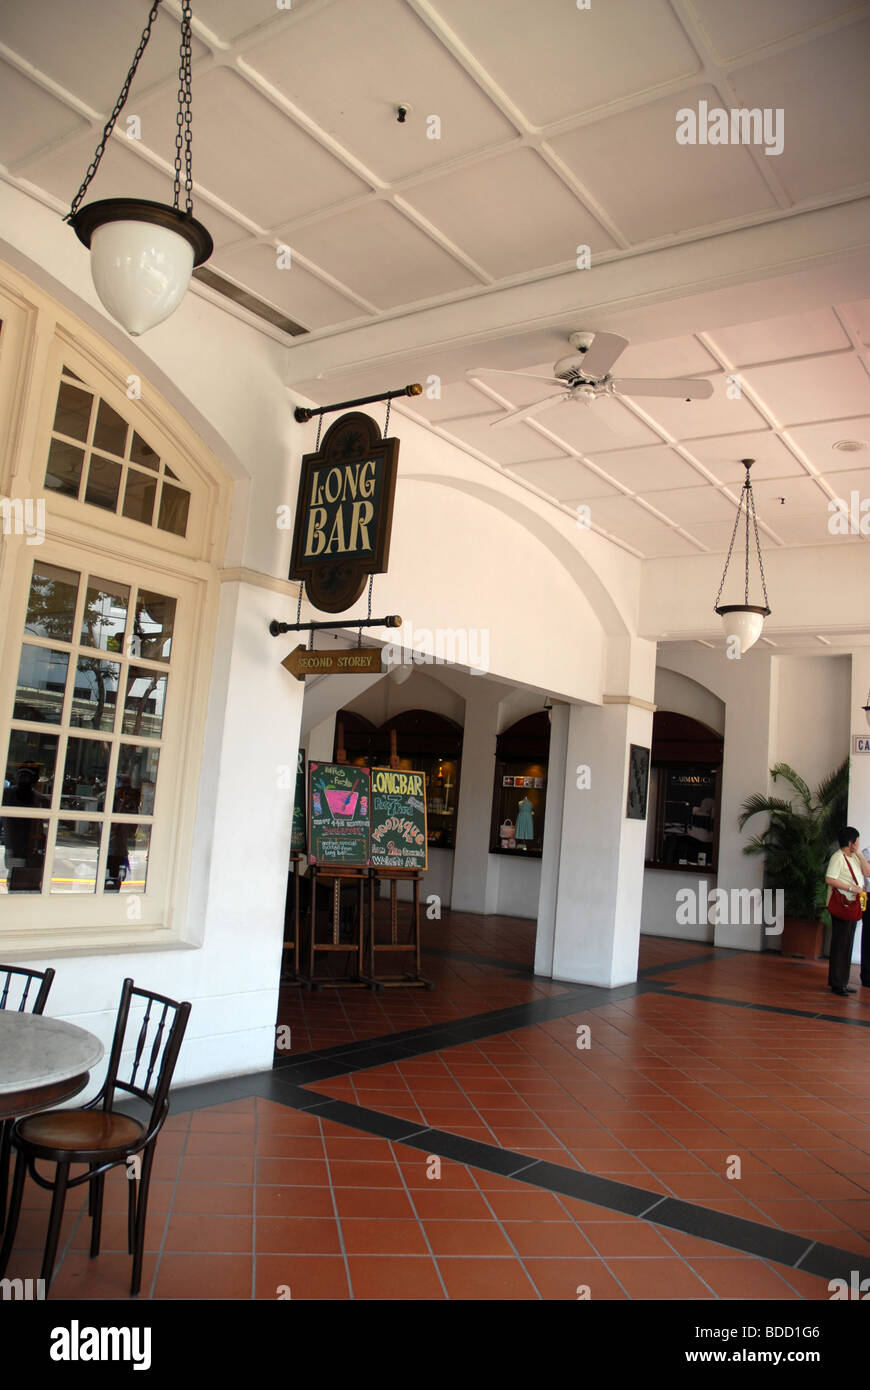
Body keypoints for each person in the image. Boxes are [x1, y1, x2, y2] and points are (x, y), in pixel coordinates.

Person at [824, 826, 867, 996]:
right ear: (851, 842)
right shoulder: (838, 857)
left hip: (852, 906)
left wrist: (860, 854)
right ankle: (836, 983)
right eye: (857, 840)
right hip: (842, 905)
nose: (858, 843)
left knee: (847, 944)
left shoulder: (854, 857)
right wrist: (851, 887)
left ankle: (842, 981)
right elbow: (829, 879)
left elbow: (867, 871)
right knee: (840, 944)